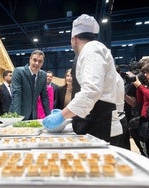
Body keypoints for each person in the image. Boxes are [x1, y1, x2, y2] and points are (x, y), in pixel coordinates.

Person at [43, 14, 119, 142]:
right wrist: (68, 112)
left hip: (98, 120)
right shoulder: (95, 48)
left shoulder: (91, 49)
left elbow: (91, 90)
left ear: (74, 39)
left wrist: (62, 115)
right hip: (95, 116)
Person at [9, 49, 50, 120]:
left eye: (40, 61)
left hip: (33, 115)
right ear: (30, 59)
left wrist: (49, 116)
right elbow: (16, 95)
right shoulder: (18, 72)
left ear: (42, 63)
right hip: (18, 113)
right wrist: (17, 117)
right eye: (34, 60)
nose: (37, 63)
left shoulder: (43, 75)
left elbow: (44, 97)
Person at [133, 63, 149, 157]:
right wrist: (139, 88)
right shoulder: (146, 86)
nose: (145, 75)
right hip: (145, 119)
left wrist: (140, 87)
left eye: (147, 73)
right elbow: (140, 100)